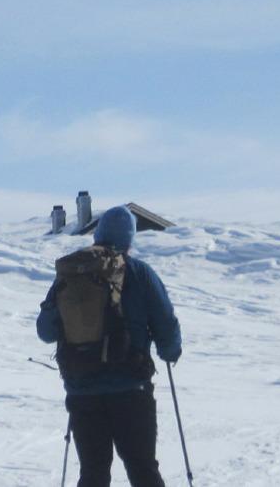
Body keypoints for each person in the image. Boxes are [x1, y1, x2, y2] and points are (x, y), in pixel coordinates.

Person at [36, 205, 182, 487]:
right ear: (129, 239)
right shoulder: (140, 273)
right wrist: (170, 351)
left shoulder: (72, 274)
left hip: (83, 391)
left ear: (98, 234)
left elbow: (45, 331)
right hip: (131, 390)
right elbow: (166, 323)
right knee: (142, 469)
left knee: (93, 473)